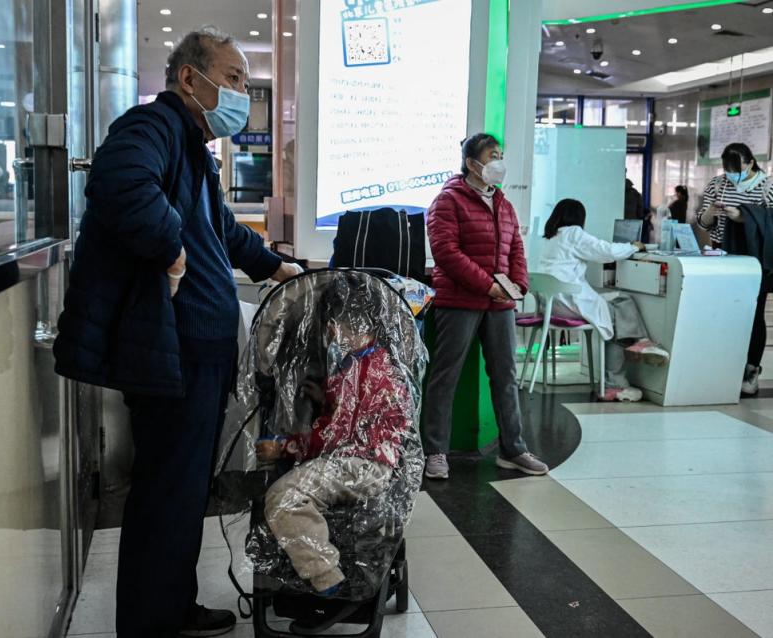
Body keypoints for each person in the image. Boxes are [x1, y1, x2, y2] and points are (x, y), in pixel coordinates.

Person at [53, 27, 300, 637]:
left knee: (186, 490)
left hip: (199, 349)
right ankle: (149, 622)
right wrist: (170, 251)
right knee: (167, 489)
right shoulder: (151, 128)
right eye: (235, 78)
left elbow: (222, 230)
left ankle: (172, 605)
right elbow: (119, 184)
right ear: (191, 78)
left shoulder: (192, 147)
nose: (242, 92)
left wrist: (277, 265)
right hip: (175, 351)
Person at [257, 276, 409, 603]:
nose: (328, 332)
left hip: (360, 464)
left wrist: (284, 445)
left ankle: (328, 580)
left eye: (331, 324)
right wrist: (328, 399)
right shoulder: (372, 362)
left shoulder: (359, 371)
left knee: (283, 497)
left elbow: (334, 437)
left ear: (346, 323)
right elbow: (354, 418)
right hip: (372, 460)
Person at [422, 133, 548, 479]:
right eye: (493, 155)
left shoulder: (504, 204)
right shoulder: (448, 202)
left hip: (499, 305)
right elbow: (446, 252)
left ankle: (514, 449)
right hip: (459, 301)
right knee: (445, 377)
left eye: (501, 154)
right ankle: (435, 452)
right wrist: (488, 285)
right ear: (471, 163)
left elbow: (515, 250)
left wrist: (517, 285)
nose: (499, 162)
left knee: (505, 377)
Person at [539, 199, 670, 402]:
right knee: (617, 317)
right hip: (568, 302)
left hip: (551, 305)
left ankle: (639, 342)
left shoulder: (550, 237)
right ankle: (614, 383)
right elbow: (605, 251)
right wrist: (632, 246)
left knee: (621, 301)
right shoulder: (573, 233)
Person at [696, 143, 772, 395]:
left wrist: (742, 216)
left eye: (736, 169)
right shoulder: (718, 185)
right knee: (725, 312)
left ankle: (751, 370)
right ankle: (725, 367)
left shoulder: (767, 187)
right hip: (723, 256)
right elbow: (704, 224)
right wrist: (710, 212)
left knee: (754, 313)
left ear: (751, 163)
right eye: (727, 169)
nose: (731, 174)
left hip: (755, 260)